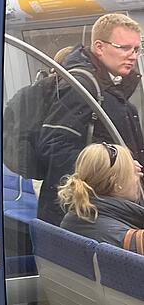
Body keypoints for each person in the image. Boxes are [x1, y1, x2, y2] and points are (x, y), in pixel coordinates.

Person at [38, 13, 144, 224]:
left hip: (106, 208)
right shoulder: (83, 87)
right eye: (124, 48)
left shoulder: (114, 90)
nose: (132, 55)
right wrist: (116, 168)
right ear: (99, 47)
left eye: (136, 49)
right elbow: (53, 147)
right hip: (83, 213)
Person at [59, 143, 144, 252]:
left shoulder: (73, 217)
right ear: (117, 184)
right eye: (132, 172)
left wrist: (125, 168)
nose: (139, 176)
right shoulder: (130, 239)